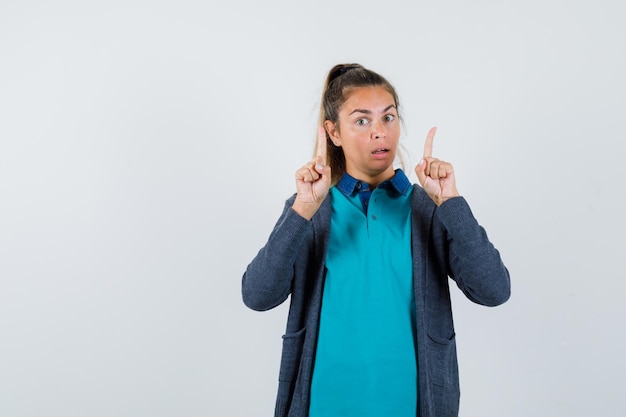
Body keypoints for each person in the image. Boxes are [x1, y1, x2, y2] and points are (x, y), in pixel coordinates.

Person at [242, 63, 511, 417]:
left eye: (388, 117)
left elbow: (494, 290)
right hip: (324, 404)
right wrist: (301, 210)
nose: (379, 132)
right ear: (333, 132)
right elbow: (258, 296)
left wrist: (451, 203)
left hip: (410, 404)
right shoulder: (311, 209)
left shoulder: (428, 209)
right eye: (362, 120)